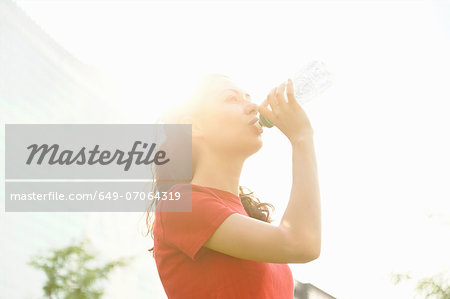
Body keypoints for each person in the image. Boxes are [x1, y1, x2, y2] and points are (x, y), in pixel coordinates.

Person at [145, 74, 322, 298]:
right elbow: (302, 243)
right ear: (193, 126)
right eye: (232, 99)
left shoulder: (246, 218)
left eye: (249, 98)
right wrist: (301, 138)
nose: (253, 107)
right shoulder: (183, 204)